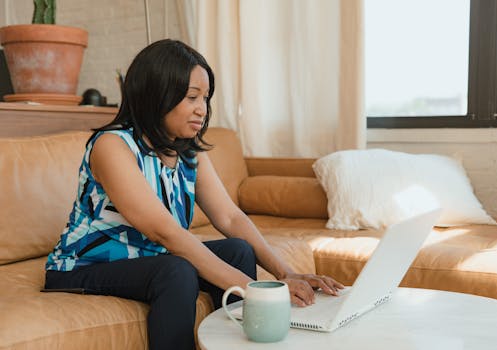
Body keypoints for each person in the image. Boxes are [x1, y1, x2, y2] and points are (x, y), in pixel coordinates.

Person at [44, 39, 344, 350]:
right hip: (82, 266)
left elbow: (230, 216)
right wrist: (259, 290)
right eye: (191, 97)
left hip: (148, 259)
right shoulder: (112, 146)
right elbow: (165, 233)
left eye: (206, 98)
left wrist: (287, 272)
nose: (202, 109)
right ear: (156, 94)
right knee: (176, 270)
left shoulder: (188, 151)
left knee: (238, 249)